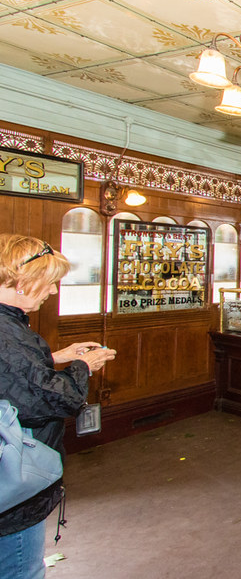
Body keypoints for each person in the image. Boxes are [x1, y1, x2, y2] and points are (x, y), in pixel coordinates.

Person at [0, 234, 117, 579]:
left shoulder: (10, 326)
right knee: (22, 568)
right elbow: (55, 398)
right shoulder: (7, 333)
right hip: (14, 483)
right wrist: (84, 366)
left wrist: (58, 357)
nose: (52, 292)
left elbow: (12, 375)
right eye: (49, 284)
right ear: (23, 282)